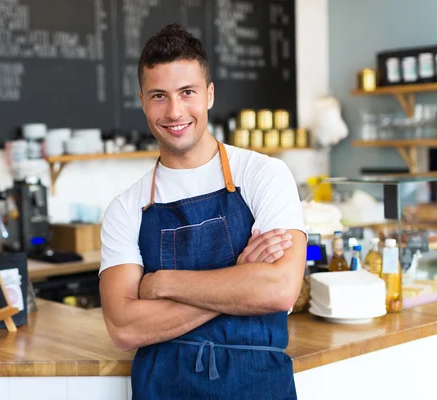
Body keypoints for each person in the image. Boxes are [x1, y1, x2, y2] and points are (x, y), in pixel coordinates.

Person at [99, 24, 306, 400]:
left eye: (187, 92)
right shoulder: (126, 208)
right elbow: (124, 329)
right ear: (143, 101)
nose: (175, 111)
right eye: (159, 95)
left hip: (257, 386)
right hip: (162, 388)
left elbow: (279, 290)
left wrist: (162, 284)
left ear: (209, 94)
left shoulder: (263, 174)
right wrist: (241, 282)